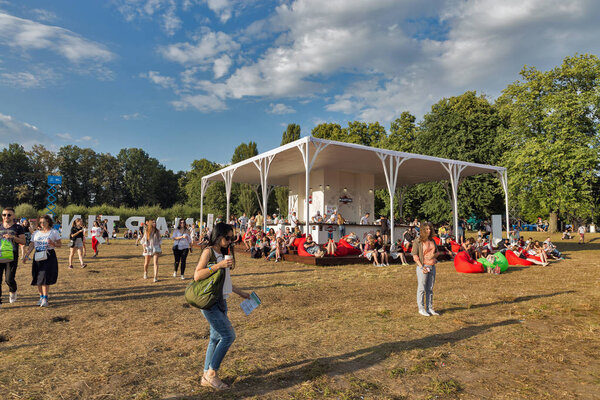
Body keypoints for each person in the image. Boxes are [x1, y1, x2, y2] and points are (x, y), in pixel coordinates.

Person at [193, 222, 250, 390]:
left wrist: (241, 293)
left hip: (221, 302)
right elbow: (197, 275)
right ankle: (211, 374)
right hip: (210, 303)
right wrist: (218, 266)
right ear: (218, 236)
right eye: (228, 237)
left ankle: (205, 375)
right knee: (228, 336)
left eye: (233, 238)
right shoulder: (208, 251)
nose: (231, 241)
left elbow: (223, 281)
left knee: (215, 338)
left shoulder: (224, 253)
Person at [23, 215, 60, 307]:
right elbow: (32, 245)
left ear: (49, 222)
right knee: (38, 277)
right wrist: (26, 255)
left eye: (44, 222)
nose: (42, 224)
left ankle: (45, 298)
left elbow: (60, 244)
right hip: (38, 255)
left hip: (49, 255)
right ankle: (41, 297)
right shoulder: (36, 233)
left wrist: (53, 243)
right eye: (41, 222)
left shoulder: (54, 232)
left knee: (45, 277)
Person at [412, 222, 439, 317]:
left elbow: (437, 252)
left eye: (430, 229)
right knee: (421, 288)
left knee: (430, 288)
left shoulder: (433, 240)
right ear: (423, 230)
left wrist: (434, 255)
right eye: (427, 229)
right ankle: (421, 308)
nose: (429, 231)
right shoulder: (417, 241)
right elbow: (415, 255)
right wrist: (421, 267)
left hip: (432, 266)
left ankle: (429, 307)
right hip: (422, 266)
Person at [0, 208, 26, 307]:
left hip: (12, 255)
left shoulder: (18, 228)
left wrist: (13, 237)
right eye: (4, 215)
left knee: (9, 279)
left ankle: (13, 290)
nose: (6, 217)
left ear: (13, 216)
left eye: (9, 215)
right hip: (0, 254)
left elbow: (23, 242)